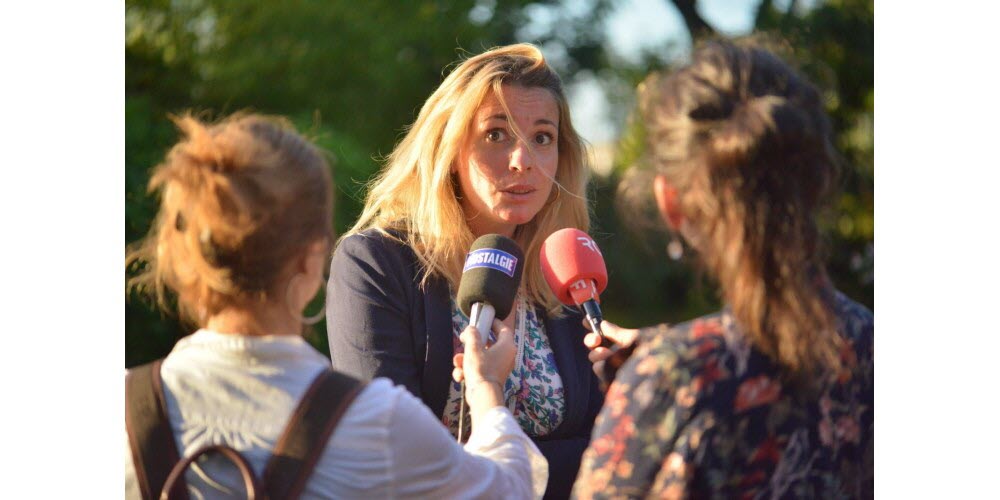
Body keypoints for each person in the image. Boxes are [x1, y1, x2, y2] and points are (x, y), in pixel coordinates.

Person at [124, 113, 546, 499]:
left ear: (179, 255)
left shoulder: (121, 404)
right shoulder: (377, 423)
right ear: (310, 260)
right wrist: (486, 388)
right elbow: (509, 490)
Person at [573, 40, 874, 498]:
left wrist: (490, 405)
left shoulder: (671, 380)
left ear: (670, 202)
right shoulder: (871, 343)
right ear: (816, 181)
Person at [326, 43, 603, 499]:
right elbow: (389, 455)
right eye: (497, 134)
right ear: (448, 146)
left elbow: (605, 453)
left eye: (542, 137)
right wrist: (550, 464)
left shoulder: (562, 269)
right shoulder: (376, 263)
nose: (523, 159)